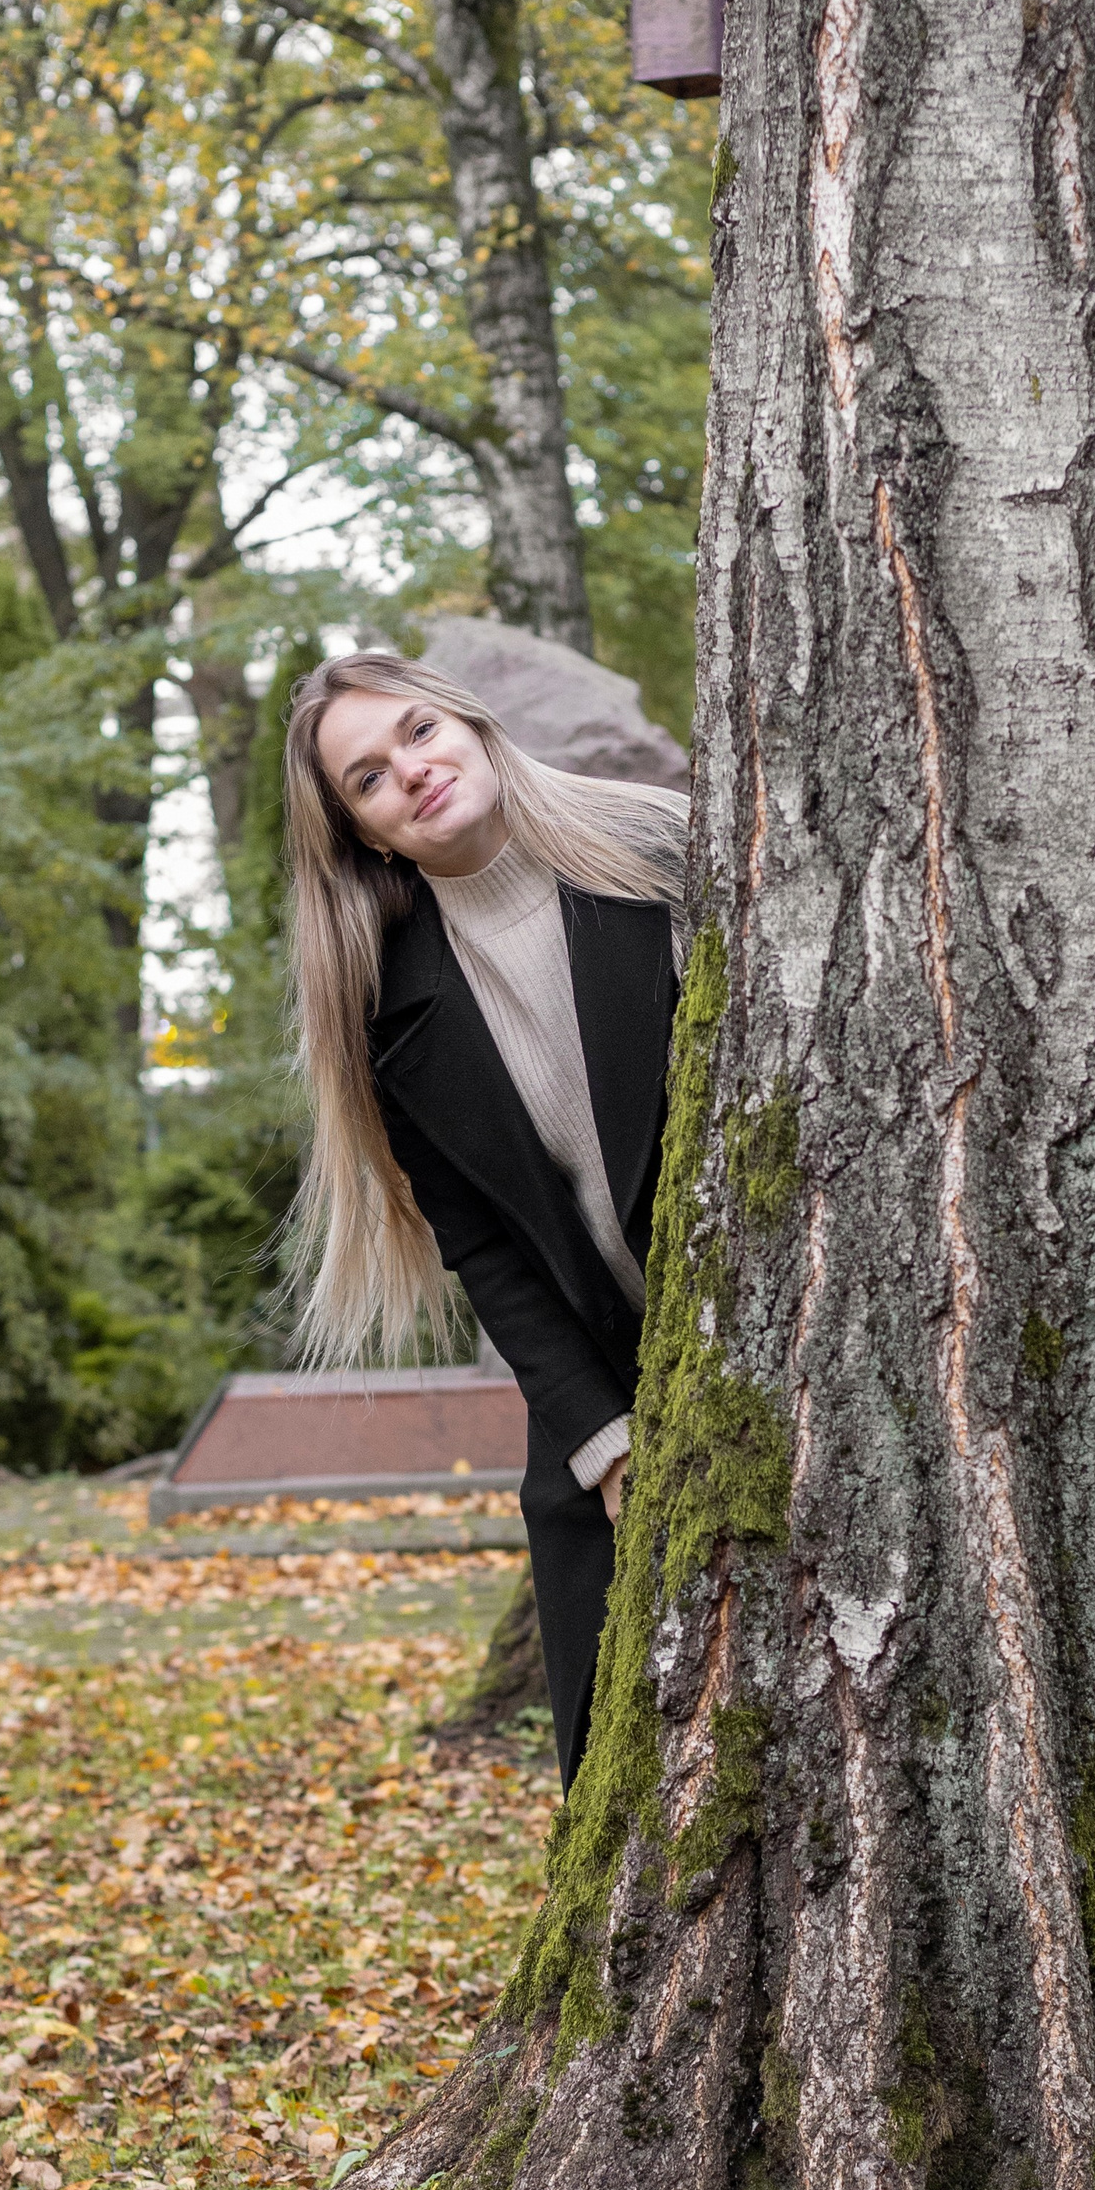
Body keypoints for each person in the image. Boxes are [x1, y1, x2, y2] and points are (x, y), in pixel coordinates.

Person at [279, 649, 687, 1788]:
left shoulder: (663, 851)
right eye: (366, 778)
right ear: (365, 837)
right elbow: (486, 1252)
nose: (408, 772)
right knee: (615, 1756)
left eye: (417, 731)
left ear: (469, 723)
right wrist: (599, 1436)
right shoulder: (389, 1010)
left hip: (780, 1343)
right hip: (607, 1384)